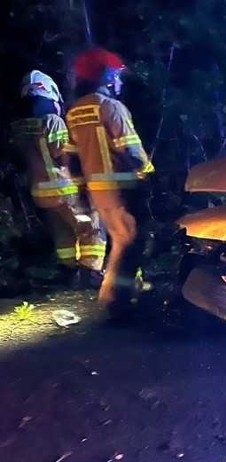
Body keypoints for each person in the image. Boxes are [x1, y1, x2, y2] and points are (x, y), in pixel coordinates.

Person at [66, 47, 154, 314]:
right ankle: (118, 302)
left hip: (97, 188)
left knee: (119, 240)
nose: (118, 80)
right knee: (130, 242)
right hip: (121, 185)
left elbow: (71, 158)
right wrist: (148, 175)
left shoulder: (74, 112)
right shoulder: (111, 107)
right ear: (104, 75)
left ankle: (111, 294)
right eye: (116, 74)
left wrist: (81, 188)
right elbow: (129, 150)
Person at [11, 70, 106, 286]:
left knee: (61, 228)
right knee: (89, 225)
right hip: (62, 186)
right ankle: (91, 272)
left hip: (38, 190)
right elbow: (60, 153)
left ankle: (69, 271)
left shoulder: (18, 129)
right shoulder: (53, 121)